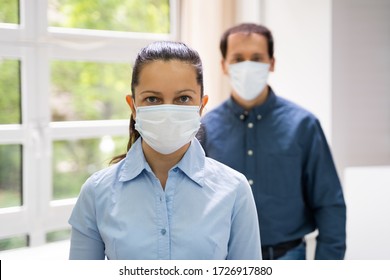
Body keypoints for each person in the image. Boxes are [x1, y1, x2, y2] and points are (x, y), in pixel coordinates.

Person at [68, 41, 261, 260]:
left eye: (183, 98)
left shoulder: (234, 189)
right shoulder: (96, 192)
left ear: (201, 105)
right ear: (133, 106)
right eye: (153, 99)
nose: (168, 110)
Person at [198, 23, 346, 260]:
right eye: (238, 59)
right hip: (224, 259)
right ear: (223, 65)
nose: (247, 66)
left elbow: (329, 203)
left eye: (257, 58)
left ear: (272, 62)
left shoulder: (303, 125)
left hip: (288, 257)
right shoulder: (204, 130)